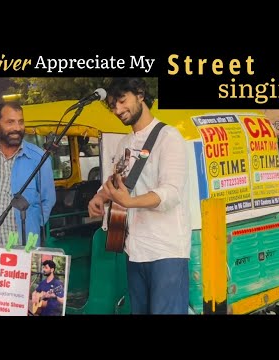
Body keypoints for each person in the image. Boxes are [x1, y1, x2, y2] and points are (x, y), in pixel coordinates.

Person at [87, 78, 191, 315]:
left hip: (166, 251)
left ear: (140, 95)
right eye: (113, 105)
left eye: (122, 101)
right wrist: (100, 197)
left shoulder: (168, 137)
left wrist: (129, 202)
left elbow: (171, 192)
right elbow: (117, 182)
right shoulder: (125, 143)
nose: (117, 110)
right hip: (134, 249)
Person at [0, 102, 56, 246]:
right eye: (10, 122)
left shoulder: (39, 158)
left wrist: (33, 225)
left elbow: (48, 199)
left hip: (25, 244)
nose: (17, 128)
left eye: (20, 122)